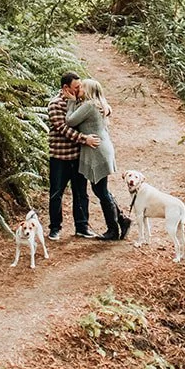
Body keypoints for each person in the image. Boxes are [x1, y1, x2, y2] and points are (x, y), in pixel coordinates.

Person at [65, 77, 130, 241]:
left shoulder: (89, 105)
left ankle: (114, 229)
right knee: (101, 190)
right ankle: (121, 220)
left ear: (88, 91)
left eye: (82, 87)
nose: (79, 90)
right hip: (101, 148)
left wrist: (71, 101)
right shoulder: (98, 104)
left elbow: (70, 121)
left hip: (97, 150)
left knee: (101, 190)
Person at [46, 71, 101, 240]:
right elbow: (64, 129)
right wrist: (85, 139)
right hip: (59, 157)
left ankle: (82, 226)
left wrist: (107, 108)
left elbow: (96, 106)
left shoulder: (81, 101)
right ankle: (55, 228)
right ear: (66, 87)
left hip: (78, 156)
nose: (79, 90)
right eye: (76, 87)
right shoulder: (55, 104)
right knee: (56, 193)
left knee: (81, 193)